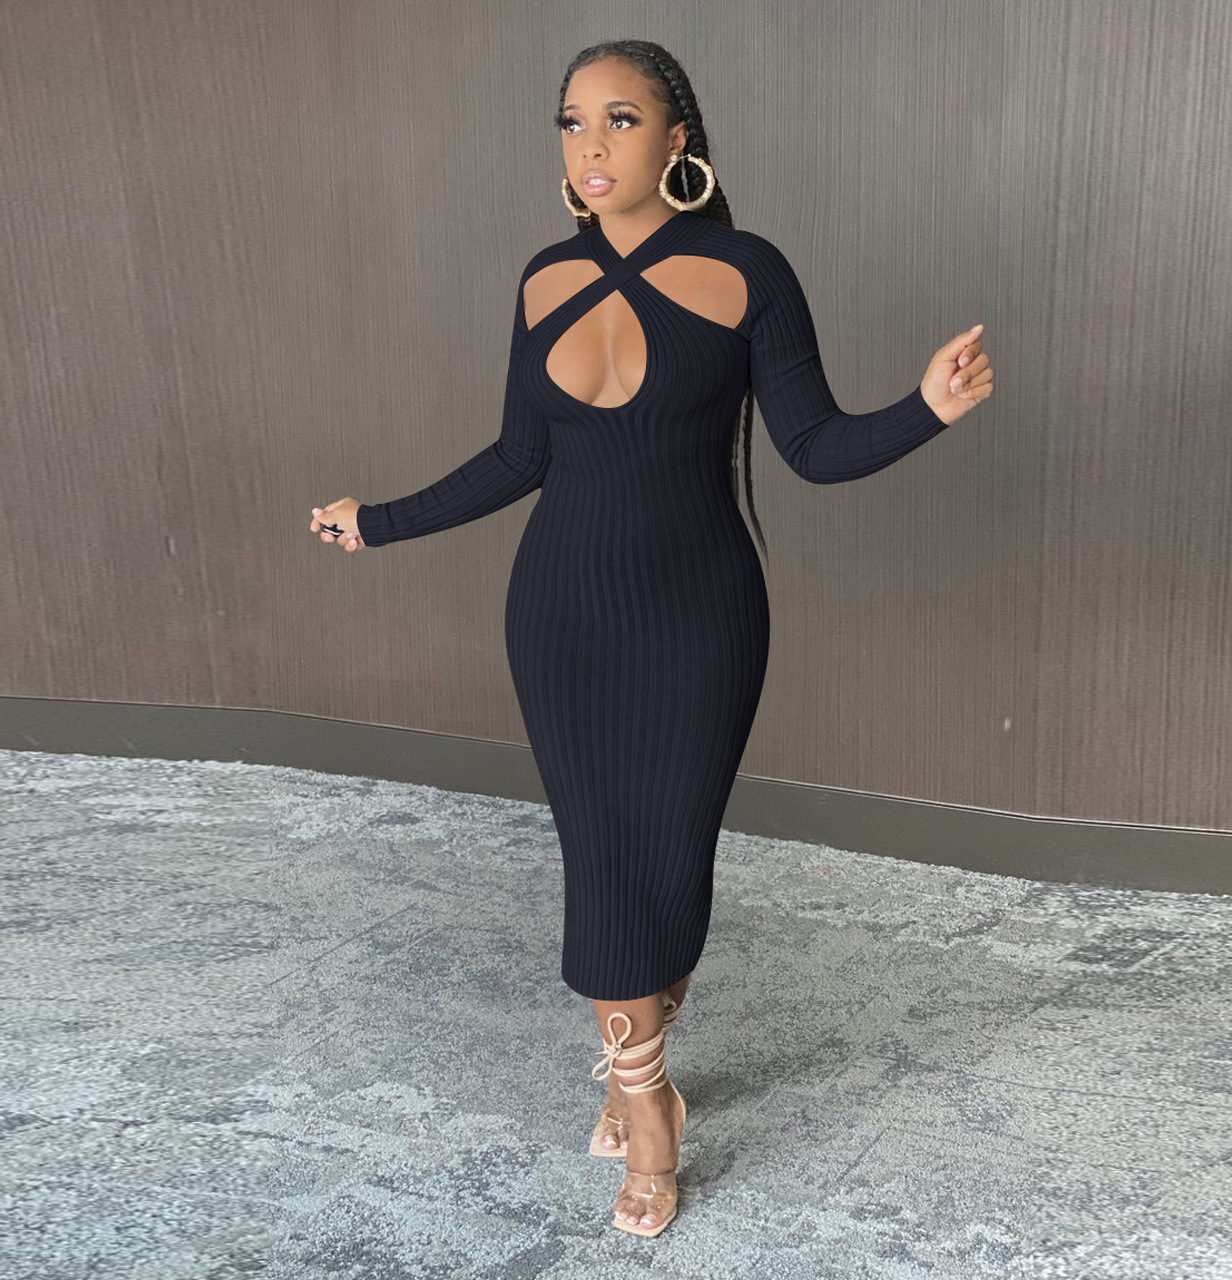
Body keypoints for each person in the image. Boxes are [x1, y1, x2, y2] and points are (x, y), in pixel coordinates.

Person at [308, 39, 993, 1239]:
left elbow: (812, 447)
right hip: (559, 614)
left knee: (670, 863)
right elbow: (518, 457)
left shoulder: (746, 271)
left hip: (701, 615)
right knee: (601, 863)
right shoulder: (540, 280)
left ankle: (642, 1063)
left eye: (619, 120)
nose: (590, 146)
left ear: (678, 138)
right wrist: (380, 520)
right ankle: (646, 1103)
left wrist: (924, 408)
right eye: (571, 122)